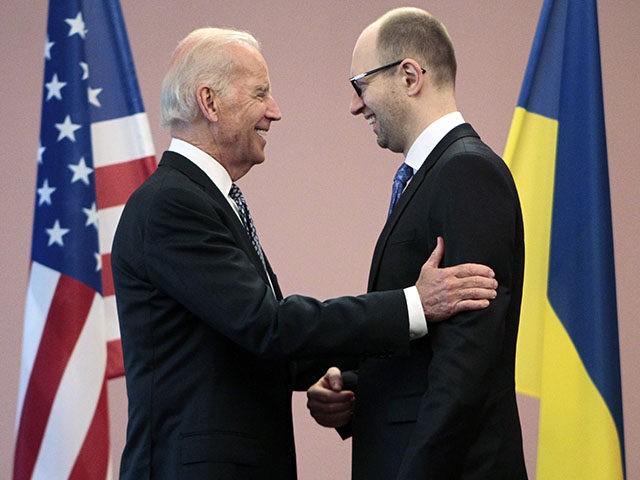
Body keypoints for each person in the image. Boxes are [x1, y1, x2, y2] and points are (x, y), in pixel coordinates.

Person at [111, 27, 499, 480]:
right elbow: (268, 325)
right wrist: (414, 305)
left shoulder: (205, 200)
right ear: (209, 102)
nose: (274, 112)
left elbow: (253, 340)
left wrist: (332, 376)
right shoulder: (172, 204)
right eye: (260, 93)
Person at [306, 7, 528, 479]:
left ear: (409, 76)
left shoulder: (467, 172)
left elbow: (466, 363)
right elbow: (426, 357)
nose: (355, 105)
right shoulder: (432, 175)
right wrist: (354, 388)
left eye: (359, 85)